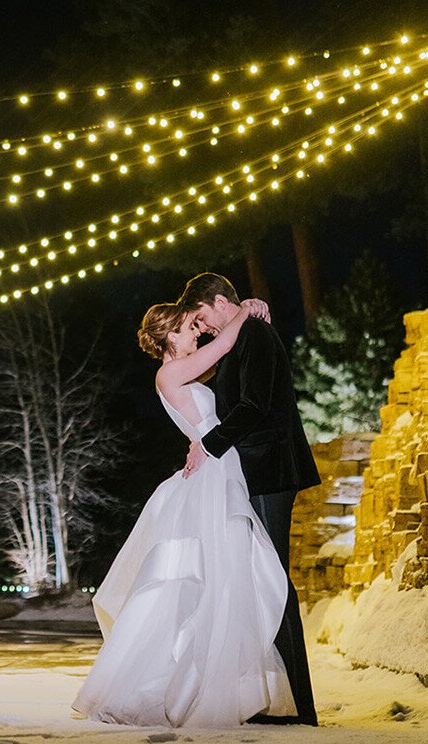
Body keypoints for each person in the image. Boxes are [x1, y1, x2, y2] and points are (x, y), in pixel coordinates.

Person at [73, 297, 295, 727]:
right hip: (212, 477)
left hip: (217, 467)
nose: (198, 332)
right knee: (212, 578)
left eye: (197, 325)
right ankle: (191, 685)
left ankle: (217, 680)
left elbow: (226, 366)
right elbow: (226, 344)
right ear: (168, 336)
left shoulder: (182, 370)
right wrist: (246, 309)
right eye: (189, 327)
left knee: (224, 576)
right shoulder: (170, 372)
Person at [179, 272, 320, 726]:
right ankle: (277, 699)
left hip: (272, 467)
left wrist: (210, 444)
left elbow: (255, 404)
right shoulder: (242, 333)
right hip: (257, 470)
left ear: (220, 302)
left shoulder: (255, 334)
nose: (201, 328)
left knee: (274, 580)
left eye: (201, 317)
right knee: (264, 579)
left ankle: (297, 706)